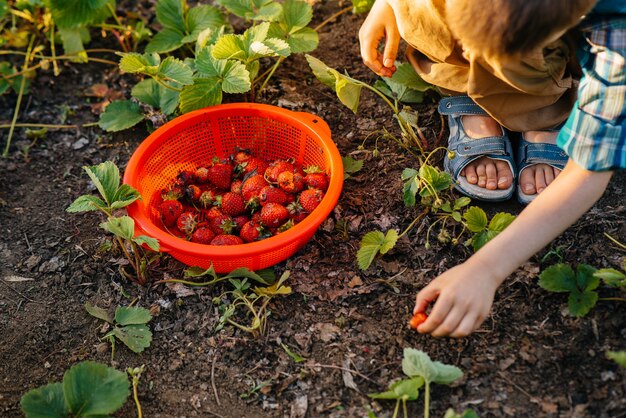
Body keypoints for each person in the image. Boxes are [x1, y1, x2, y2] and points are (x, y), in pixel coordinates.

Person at [359, 0, 625, 337]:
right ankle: (467, 84)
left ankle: (548, 104)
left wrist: (486, 268)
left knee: (528, 61)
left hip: (564, 46)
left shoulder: (618, 38)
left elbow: (587, 172)